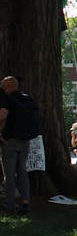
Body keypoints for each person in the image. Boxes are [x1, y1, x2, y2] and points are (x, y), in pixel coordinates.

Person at [0, 76, 38, 215]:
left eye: (3, 85)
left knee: (9, 175)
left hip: (9, 140)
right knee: (22, 172)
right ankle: (25, 203)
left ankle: (9, 205)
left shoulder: (6, 99)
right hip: (25, 141)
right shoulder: (27, 99)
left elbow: (3, 115)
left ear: (8, 86)